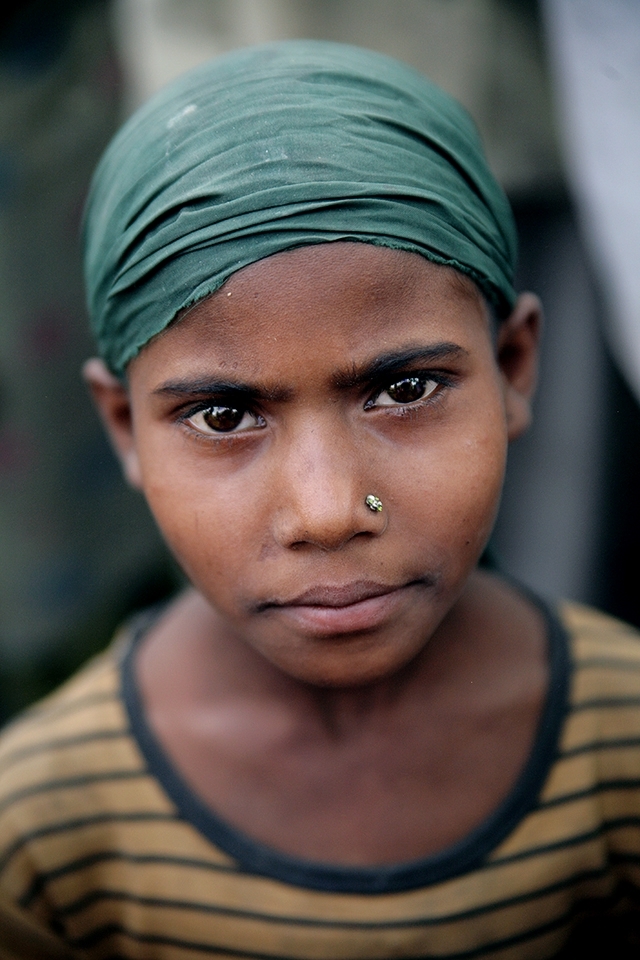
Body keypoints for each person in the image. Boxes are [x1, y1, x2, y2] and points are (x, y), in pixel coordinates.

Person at [0, 40, 639, 959]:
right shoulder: (48, 825)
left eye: (406, 391)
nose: (329, 510)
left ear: (513, 368)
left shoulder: (622, 747)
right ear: (122, 427)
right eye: (224, 414)